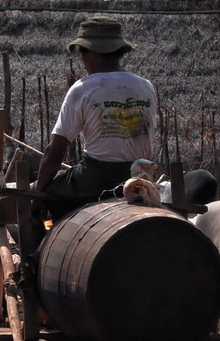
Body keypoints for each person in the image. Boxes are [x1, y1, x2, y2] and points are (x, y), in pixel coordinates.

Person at [35, 16, 159, 217]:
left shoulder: (83, 88)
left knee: (50, 190)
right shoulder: (145, 86)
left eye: (82, 53)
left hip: (97, 179)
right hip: (140, 177)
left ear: (91, 53)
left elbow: (56, 150)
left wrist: (39, 194)